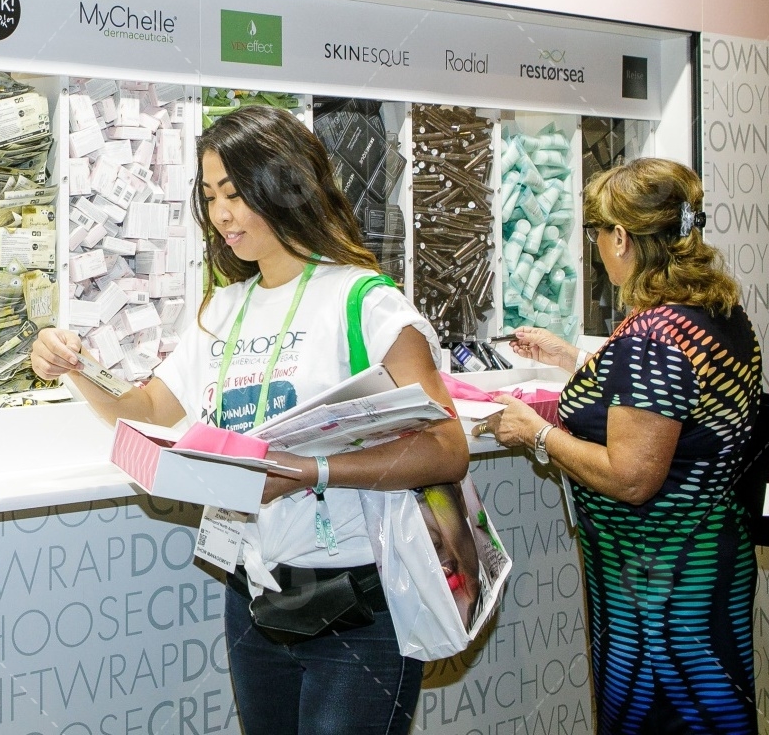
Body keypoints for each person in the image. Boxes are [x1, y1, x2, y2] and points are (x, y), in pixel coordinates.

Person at [32, 105, 468, 735]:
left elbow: (447, 448)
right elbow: (147, 407)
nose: (221, 215)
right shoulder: (224, 309)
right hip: (253, 594)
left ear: (286, 188)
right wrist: (76, 367)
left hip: (360, 600)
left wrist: (310, 471)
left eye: (235, 194)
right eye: (211, 197)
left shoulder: (364, 301)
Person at [479, 158, 761, 735]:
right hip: (711, 562)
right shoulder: (717, 314)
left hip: (657, 587)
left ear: (622, 238)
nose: (598, 248)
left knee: (661, 716)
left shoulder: (651, 337)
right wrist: (572, 359)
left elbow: (632, 476)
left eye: (597, 233)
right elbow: (675, 408)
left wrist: (536, 432)